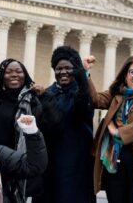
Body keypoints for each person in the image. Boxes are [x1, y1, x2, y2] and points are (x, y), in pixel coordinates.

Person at [85, 55, 133, 203]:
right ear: (125, 75)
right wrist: (85, 74)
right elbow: (95, 100)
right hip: (114, 166)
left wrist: (118, 132)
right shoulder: (117, 95)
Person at [0, 58, 57, 201]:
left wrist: (45, 96)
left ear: (25, 76)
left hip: (20, 166)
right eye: (8, 72)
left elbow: (52, 126)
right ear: (1, 77)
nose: (14, 75)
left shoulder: (34, 101)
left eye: (19, 71)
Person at [35, 46, 94, 203]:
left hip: (76, 165)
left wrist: (83, 79)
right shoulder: (48, 93)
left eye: (68, 68)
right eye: (59, 68)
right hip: (50, 164)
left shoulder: (82, 93)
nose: (63, 72)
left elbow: (83, 107)